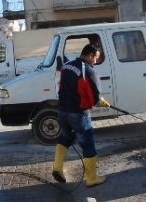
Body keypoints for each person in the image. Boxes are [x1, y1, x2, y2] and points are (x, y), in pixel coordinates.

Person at [51, 44, 110, 187]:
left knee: (65, 137)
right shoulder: (88, 71)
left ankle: (57, 167)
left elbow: (61, 85)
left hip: (62, 111)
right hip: (78, 113)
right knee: (87, 143)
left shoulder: (66, 66)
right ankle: (92, 179)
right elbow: (95, 98)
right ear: (90, 55)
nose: (95, 61)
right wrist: (101, 102)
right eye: (95, 58)